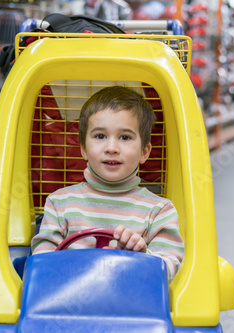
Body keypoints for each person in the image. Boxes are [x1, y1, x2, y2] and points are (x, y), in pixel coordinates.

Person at [31, 86, 184, 281]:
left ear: (145, 152)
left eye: (125, 137)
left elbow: (169, 265)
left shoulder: (160, 211)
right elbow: (42, 260)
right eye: (100, 136)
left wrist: (142, 257)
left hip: (132, 303)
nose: (112, 148)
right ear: (84, 149)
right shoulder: (59, 203)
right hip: (69, 300)